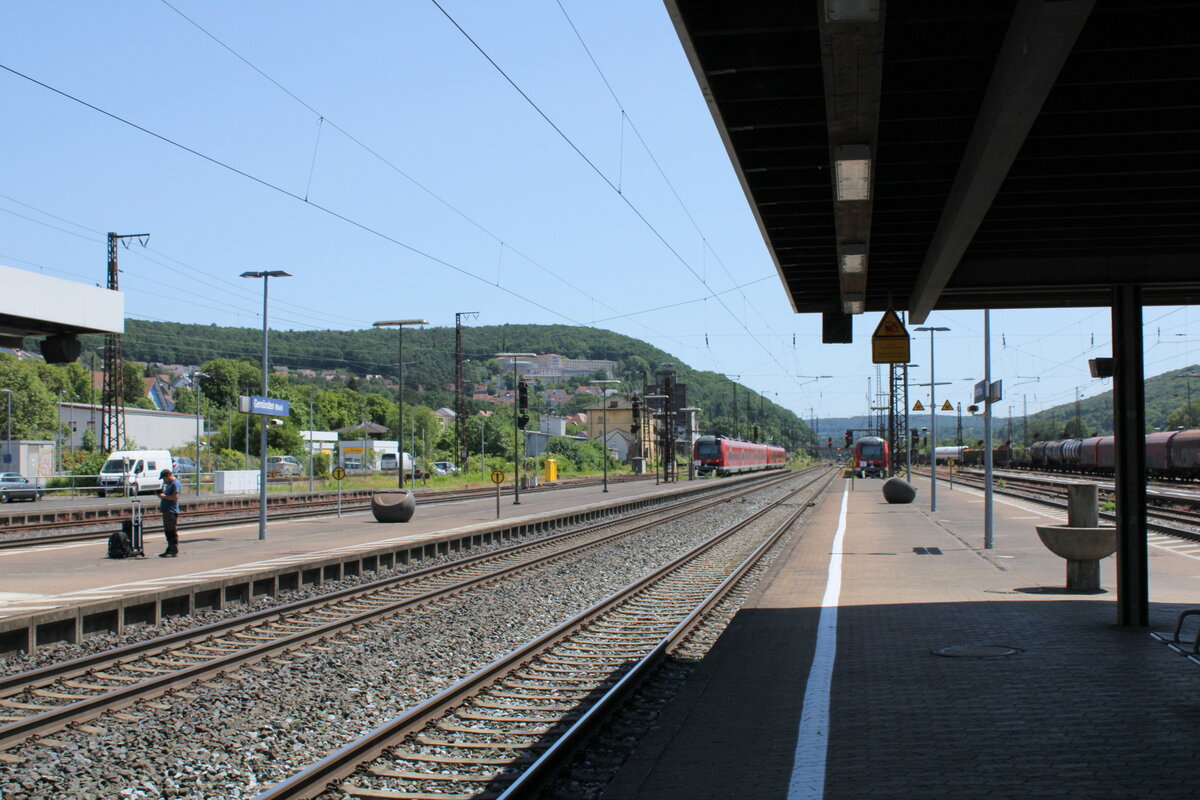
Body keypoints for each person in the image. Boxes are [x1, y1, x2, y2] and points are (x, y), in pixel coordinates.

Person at [157, 468, 182, 557]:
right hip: (167, 510)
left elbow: (175, 497)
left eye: (164, 478)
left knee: (171, 530)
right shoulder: (170, 484)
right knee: (168, 530)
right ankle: (170, 548)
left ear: (168, 476)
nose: (164, 480)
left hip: (171, 510)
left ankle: (173, 549)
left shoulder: (175, 483)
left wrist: (163, 497)